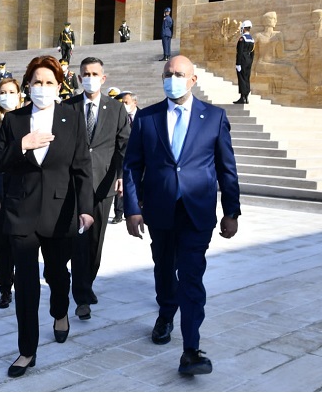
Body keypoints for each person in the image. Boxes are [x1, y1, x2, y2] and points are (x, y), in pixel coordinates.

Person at [123, 55, 240, 376]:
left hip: (196, 213)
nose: (172, 78)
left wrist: (232, 211)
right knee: (164, 269)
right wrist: (132, 208)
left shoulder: (214, 117)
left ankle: (191, 349)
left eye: (179, 74)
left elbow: (226, 168)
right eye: (167, 73)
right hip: (159, 211)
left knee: (190, 277)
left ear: (193, 80)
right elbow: (132, 166)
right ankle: (165, 313)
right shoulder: (147, 118)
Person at [0, 55, 94, 378]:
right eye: (37, 82)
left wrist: (87, 209)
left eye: (49, 82)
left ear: (59, 86)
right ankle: (27, 350)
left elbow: (81, 168)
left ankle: (60, 311)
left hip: (59, 210)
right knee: (25, 285)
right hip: (21, 212)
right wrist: (21, 145)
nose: (42, 87)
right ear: (28, 85)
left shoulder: (71, 117)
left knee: (57, 274)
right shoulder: (14, 120)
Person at [63, 57, 129, 321]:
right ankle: (81, 296)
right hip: (75, 185)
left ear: (103, 78)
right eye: (85, 73)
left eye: (94, 73)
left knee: (95, 243)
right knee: (79, 242)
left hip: (104, 184)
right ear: (79, 78)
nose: (89, 77)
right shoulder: (68, 107)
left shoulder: (116, 109)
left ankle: (87, 284)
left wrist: (123, 176)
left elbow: (126, 145)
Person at [0, 76, 22, 309]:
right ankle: (4, 288)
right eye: (3, 92)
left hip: (22, 192)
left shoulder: (27, 120)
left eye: (11, 91)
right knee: (1, 244)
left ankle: (22, 283)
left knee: (21, 243)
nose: (7, 96)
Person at [111, 91, 138, 224]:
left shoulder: (143, 116)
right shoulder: (116, 117)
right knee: (120, 183)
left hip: (138, 155)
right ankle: (118, 213)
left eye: (126, 103)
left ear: (135, 103)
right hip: (121, 155)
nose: (123, 106)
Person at [234, 20, 254, 104]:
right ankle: (246, 97)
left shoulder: (242, 39)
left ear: (244, 28)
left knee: (242, 78)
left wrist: (238, 63)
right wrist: (250, 61)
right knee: (247, 78)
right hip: (248, 60)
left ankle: (242, 97)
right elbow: (253, 52)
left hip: (242, 60)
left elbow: (240, 52)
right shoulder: (252, 39)